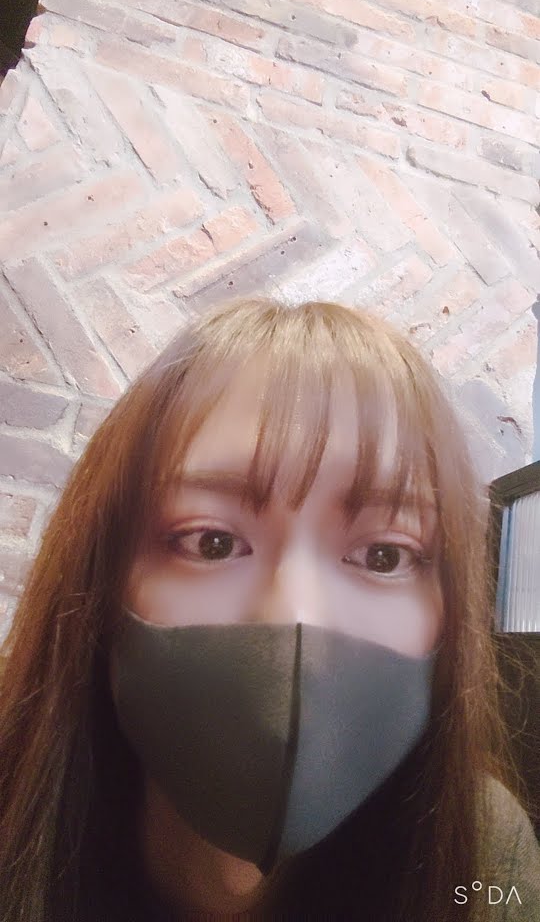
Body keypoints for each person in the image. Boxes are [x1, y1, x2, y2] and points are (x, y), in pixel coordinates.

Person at [0, 297, 538, 922]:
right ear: (101, 579)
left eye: (384, 555)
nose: (296, 616)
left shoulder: (485, 860)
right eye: (212, 542)